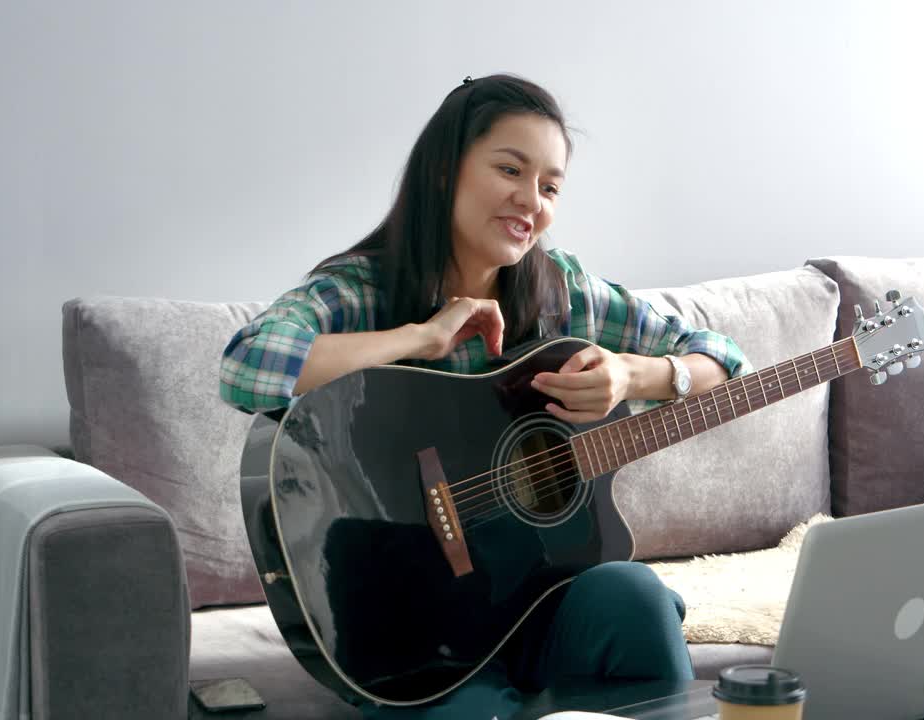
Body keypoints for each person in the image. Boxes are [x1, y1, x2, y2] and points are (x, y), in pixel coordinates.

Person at [219, 73, 751, 719]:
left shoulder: (562, 290)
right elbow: (247, 367)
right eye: (510, 169)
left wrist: (636, 376)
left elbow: (722, 358)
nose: (532, 201)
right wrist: (419, 336)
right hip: (405, 627)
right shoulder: (361, 289)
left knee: (635, 595)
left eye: (550, 187)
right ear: (445, 170)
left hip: (541, 603)